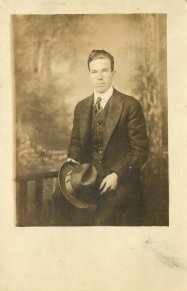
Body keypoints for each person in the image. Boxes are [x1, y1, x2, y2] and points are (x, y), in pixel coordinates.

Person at [53, 49, 149, 226]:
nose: (99, 77)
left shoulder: (129, 105)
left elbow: (140, 150)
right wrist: (72, 166)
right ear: (89, 75)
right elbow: (75, 143)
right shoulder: (81, 107)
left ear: (113, 73)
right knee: (59, 201)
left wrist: (117, 174)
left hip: (118, 183)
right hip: (87, 179)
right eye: (94, 71)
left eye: (104, 70)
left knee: (101, 224)